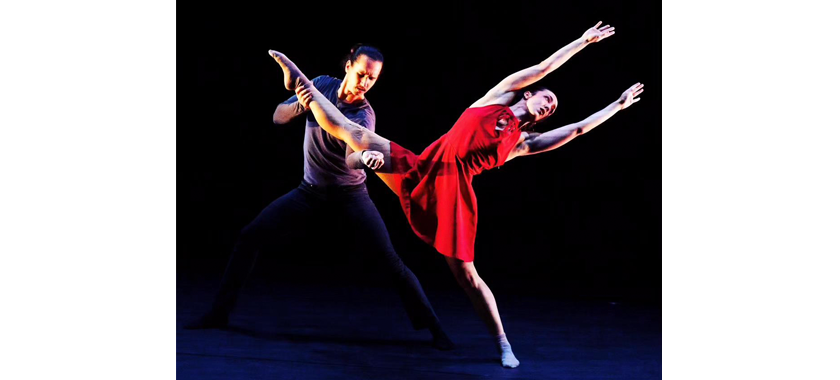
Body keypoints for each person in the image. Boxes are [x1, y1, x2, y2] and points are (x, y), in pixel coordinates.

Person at [269, 22, 643, 368]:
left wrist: (617, 105)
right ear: (528, 93)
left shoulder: (521, 142)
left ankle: (503, 344)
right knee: (356, 133)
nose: (547, 104)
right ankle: (305, 87)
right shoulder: (494, 97)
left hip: (454, 195)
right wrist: (583, 42)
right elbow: (545, 66)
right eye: (545, 97)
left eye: (551, 108)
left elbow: (577, 130)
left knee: (467, 275)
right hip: (423, 167)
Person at [186, 44, 454, 351]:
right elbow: (278, 116)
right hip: (309, 192)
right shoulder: (321, 86)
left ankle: (436, 330)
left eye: (373, 79)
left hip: (350, 195)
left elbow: (351, 160)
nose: (365, 83)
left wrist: (366, 157)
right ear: (348, 66)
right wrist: (301, 104)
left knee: (391, 262)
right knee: (250, 236)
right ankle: (219, 314)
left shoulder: (364, 114)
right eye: (362, 74)